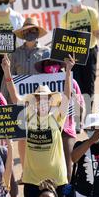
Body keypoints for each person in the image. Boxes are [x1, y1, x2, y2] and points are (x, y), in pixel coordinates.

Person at [2, 54, 73, 197]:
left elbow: (67, 97)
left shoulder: (57, 117)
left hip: (57, 179)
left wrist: (68, 72)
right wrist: (7, 71)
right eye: (39, 99)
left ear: (50, 101)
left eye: (46, 99)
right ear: (35, 101)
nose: (43, 102)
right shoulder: (28, 116)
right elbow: (14, 97)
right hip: (32, 180)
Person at [1, 17, 50, 168]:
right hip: (21, 101)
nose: (31, 33)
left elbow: (53, 76)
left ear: (38, 32)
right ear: (23, 33)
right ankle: (25, 170)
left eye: (34, 30)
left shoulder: (47, 53)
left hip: (41, 102)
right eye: (28, 30)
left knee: (41, 137)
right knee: (22, 137)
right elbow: (8, 77)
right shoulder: (14, 54)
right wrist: (3, 101)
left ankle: (41, 168)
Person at [34, 52, 86, 181]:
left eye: (54, 63)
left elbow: (81, 108)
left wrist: (79, 124)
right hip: (45, 130)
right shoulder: (38, 85)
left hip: (66, 129)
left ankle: (67, 194)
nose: (51, 66)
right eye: (48, 63)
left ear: (59, 65)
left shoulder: (71, 82)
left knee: (68, 165)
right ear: (43, 66)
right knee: (47, 167)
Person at [60, 0, 99, 111]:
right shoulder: (66, 17)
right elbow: (64, 39)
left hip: (90, 51)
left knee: (89, 84)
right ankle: (78, 117)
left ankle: (89, 114)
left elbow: (98, 33)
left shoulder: (91, 13)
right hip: (74, 55)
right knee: (75, 85)